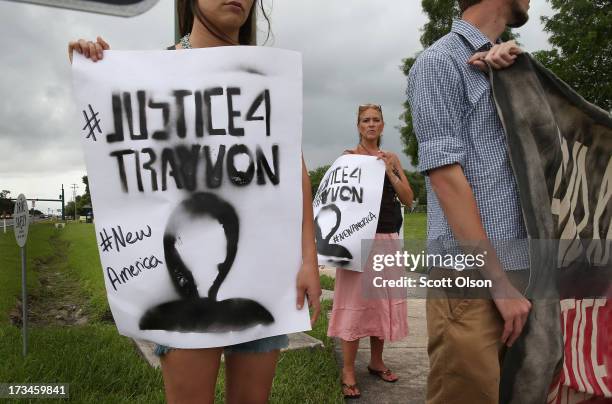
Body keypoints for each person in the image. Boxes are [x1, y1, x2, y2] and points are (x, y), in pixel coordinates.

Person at [68, 1, 322, 403]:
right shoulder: (155, 74)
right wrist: (96, 70)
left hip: (266, 274)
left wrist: (308, 258)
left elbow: (292, 168)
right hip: (176, 293)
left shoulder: (265, 75)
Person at [407, 0, 533, 403]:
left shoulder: (510, 66)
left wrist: (519, 79)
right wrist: (499, 286)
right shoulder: (439, 62)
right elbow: (446, 179)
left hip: (522, 267)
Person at [327, 104, 414, 399]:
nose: (371, 124)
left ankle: (376, 362)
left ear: (383, 125)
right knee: (355, 304)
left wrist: (390, 170)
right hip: (355, 242)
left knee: (382, 302)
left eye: (376, 119)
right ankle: (348, 370)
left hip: (387, 236)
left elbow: (409, 198)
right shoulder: (348, 160)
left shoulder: (391, 159)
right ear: (358, 125)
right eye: (366, 120)